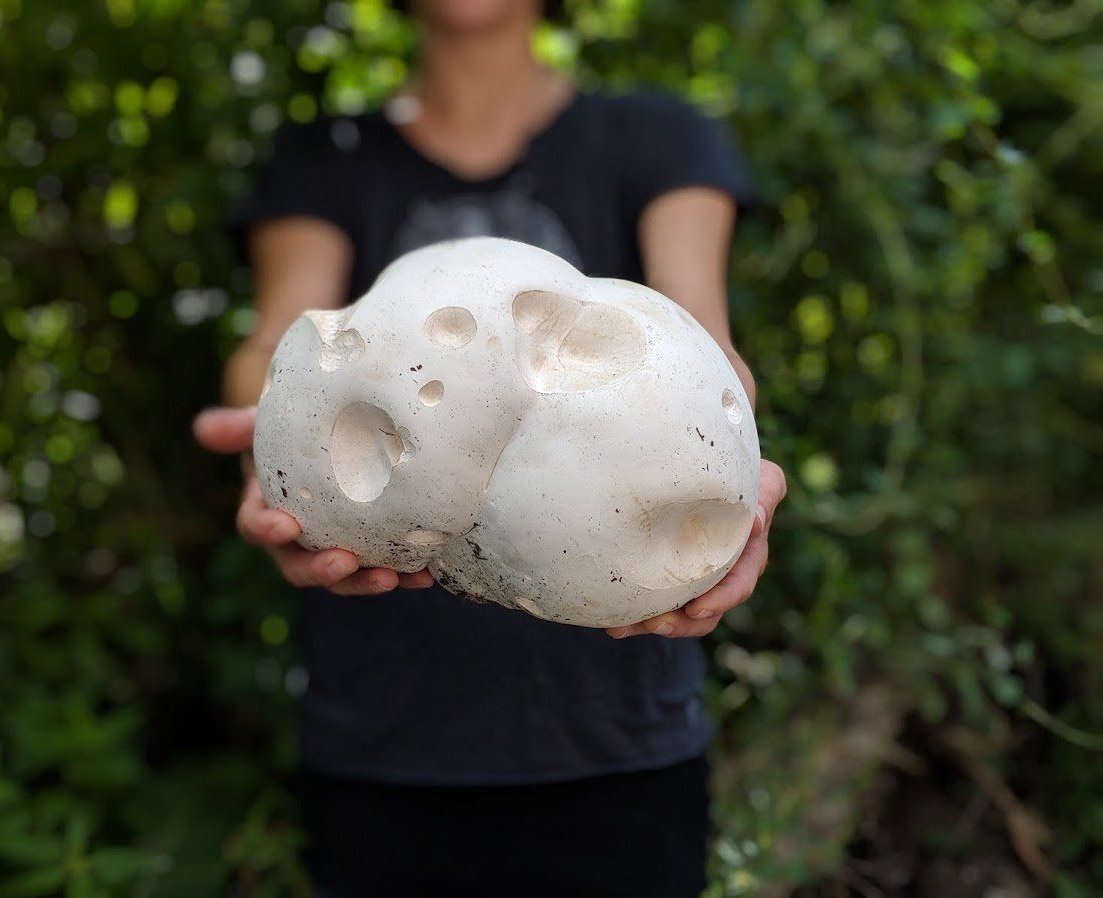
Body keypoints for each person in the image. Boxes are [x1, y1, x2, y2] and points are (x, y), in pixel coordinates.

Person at [194, 0, 788, 895]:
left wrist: (737, 476)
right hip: (387, 730)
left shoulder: (653, 137)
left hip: (616, 728)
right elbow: (275, 343)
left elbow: (701, 345)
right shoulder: (325, 159)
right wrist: (264, 439)